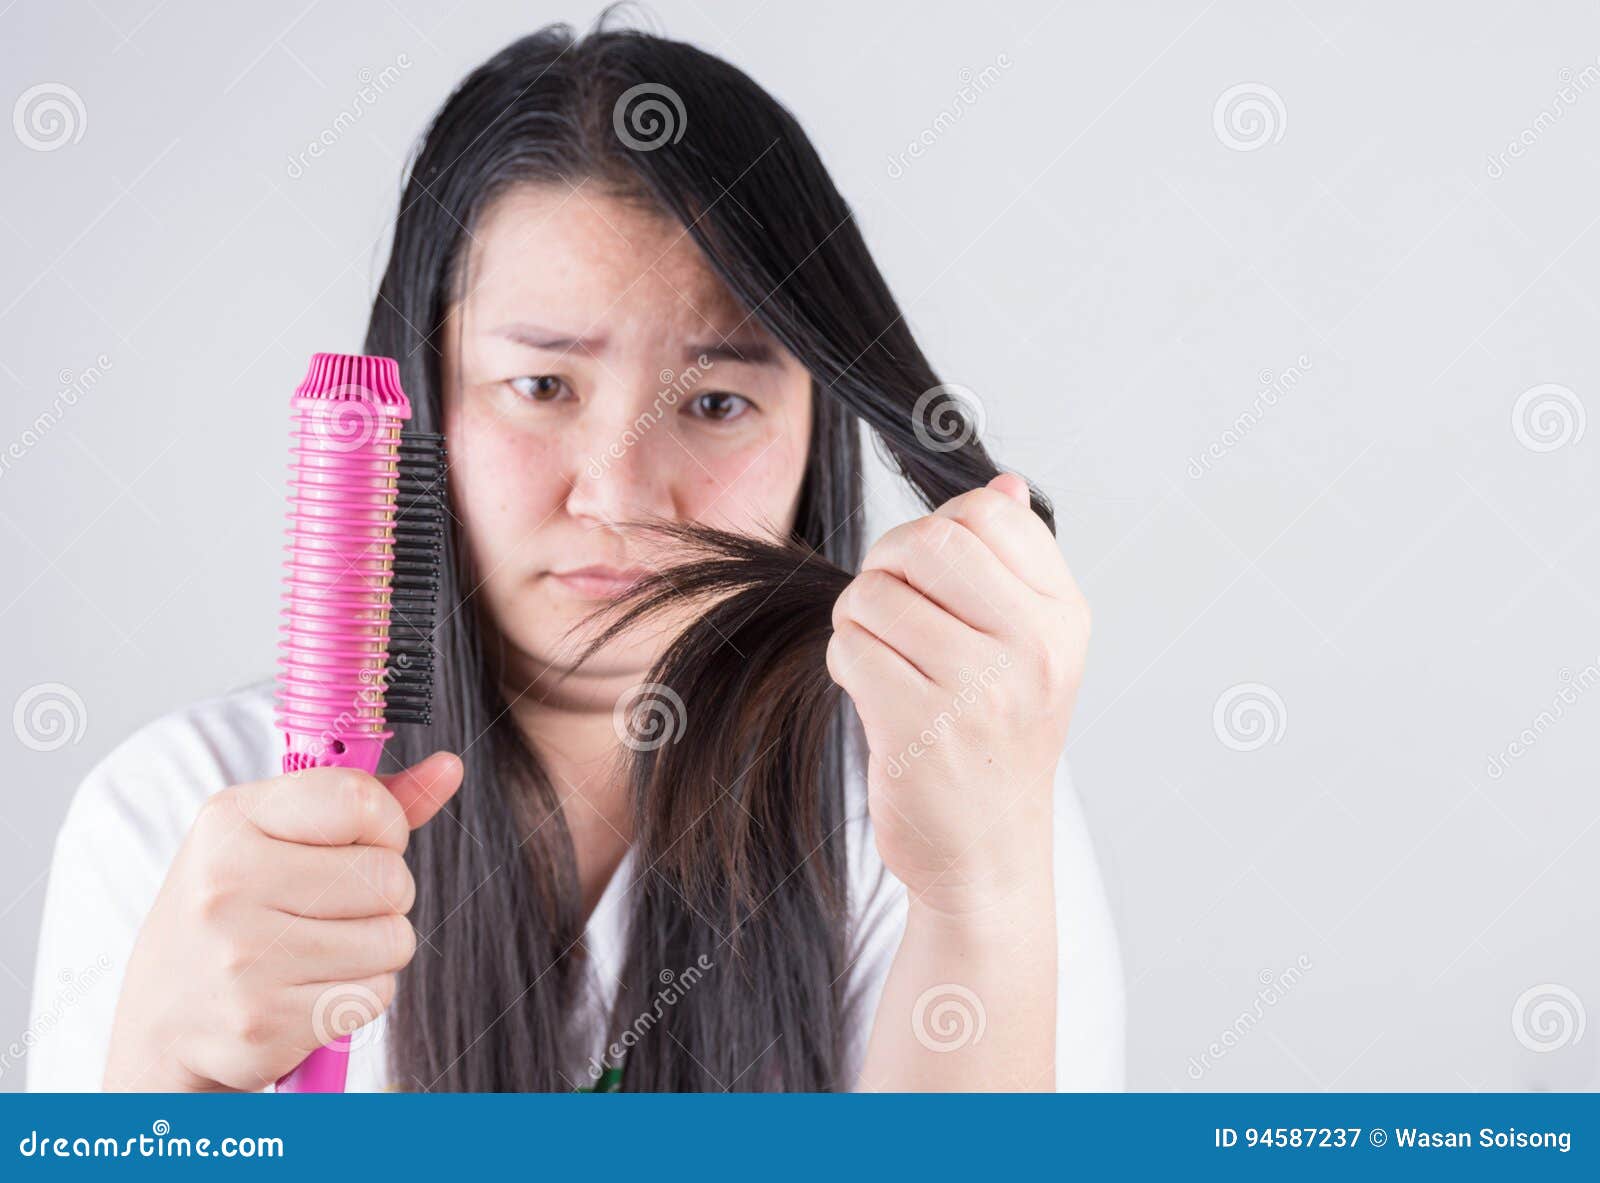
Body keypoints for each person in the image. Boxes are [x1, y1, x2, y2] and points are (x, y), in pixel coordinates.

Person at [29, 18, 1122, 1093]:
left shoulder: (924, 798)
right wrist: (161, 1079)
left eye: (716, 400)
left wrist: (977, 896)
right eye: (542, 387)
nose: (617, 494)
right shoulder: (179, 811)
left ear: (815, 430)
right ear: (421, 400)